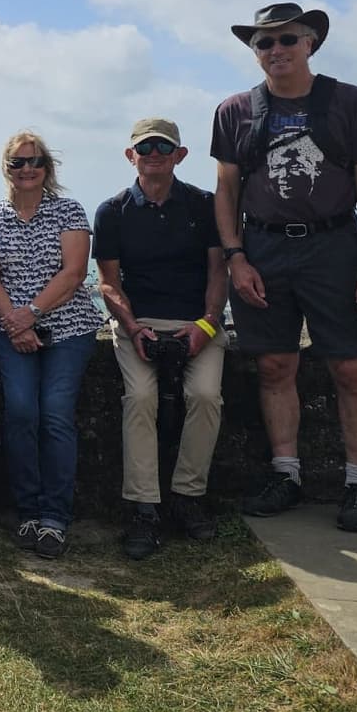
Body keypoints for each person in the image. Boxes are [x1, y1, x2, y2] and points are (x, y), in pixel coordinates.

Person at [212, 3, 357, 533]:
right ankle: (286, 473)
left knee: (350, 366)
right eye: (263, 43)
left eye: (286, 40)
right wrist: (236, 256)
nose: (275, 51)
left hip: (332, 246)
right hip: (264, 250)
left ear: (310, 42)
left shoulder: (350, 103)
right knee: (274, 367)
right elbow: (227, 190)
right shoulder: (235, 112)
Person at [93, 118, 228, 560]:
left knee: (206, 396)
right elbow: (109, 284)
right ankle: (144, 507)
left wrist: (206, 325)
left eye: (162, 147)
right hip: (139, 321)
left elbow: (217, 272)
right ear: (131, 155)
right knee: (140, 399)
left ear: (179, 155)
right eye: (144, 147)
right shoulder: (112, 212)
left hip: (197, 320)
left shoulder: (204, 205)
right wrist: (133, 329)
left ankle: (188, 496)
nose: (153, 154)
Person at [0, 133, 103, 560]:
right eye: (18, 162)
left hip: (67, 327)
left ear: (47, 167)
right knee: (21, 410)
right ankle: (27, 511)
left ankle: (54, 517)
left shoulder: (69, 211)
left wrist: (30, 313)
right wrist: (16, 324)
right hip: (11, 330)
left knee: (55, 414)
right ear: (5, 168)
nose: (27, 169)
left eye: (35, 161)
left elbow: (74, 274)